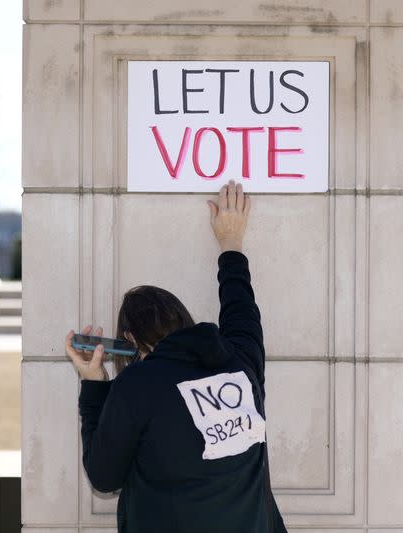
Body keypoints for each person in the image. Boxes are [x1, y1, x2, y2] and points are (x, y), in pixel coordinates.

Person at [65, 178, 287, 533]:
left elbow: (104, 476)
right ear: (184, 319)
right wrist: (231, 242)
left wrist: (94, 385)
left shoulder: (137, 385)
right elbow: (240, 307)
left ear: (129, 339)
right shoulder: (239, 362)